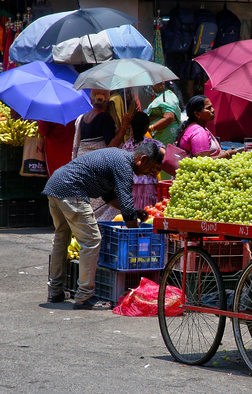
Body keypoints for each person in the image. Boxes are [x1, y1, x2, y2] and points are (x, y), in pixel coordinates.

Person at [43, 143, 163, 310]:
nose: (147, 173)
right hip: (71, 190)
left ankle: (55, 291)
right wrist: (137, 235)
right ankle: (84, 296)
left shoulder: (117, 158)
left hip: (55, 185)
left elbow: (109, 196)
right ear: (143, 159)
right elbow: (126, 203)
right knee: (92, 240)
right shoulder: (124, 164)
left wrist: (134, 212)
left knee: (62, 238)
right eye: (149, 168)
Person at [73, 89, 132, 221]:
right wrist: (124, 126)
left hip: (84, 166)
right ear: (107, 102)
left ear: (91, 100)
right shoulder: (105, 118)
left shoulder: (82, 119)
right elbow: (111, 146)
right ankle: (100, 234)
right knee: (104, 204)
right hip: (98, 169)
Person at [121, 112, 165, 209]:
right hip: (148, 185)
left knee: (134, 213)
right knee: (148, 212)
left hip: (131, 186)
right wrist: (157, 168)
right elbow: (166, 156)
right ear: (146, 128)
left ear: (131, 127)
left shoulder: (126, 145)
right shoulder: (152, 144)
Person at [176, 95, 238, 159]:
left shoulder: (195, 128)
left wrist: (222, 152)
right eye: (208, 108)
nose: (213, 110)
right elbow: (203, 162)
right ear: (197, 114)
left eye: (212, 107)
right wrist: (226, 154)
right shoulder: (198, 132)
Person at [146, 82, 182, 147]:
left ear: (160, 84)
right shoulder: (165, 95)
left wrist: (149, 129)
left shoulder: (166, 97)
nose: (151, 86)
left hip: (165, 137)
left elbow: (169, 118)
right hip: (161, 135)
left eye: (153, 84)